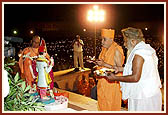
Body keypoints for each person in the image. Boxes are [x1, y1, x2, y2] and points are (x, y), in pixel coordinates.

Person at [105, 27, 162, 111]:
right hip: (149, 94)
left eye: (125, 41)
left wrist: (115, 78)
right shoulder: (146, 49)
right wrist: (119, 69)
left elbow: (135, 77)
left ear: (133, 42)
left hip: (143, 97)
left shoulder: (139, 54)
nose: (124, 44)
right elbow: (138, 70)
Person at [96, 29, 125, 111]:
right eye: (101, 39)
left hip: (112, 84)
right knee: (102, 105)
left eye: (104, 39)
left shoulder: (116, 50)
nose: (102, 41)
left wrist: (104, 64)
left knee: (110, 105)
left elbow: (119, 69)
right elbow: (102, 64)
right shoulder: (104, 49)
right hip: (102, 82)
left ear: (111, 39)